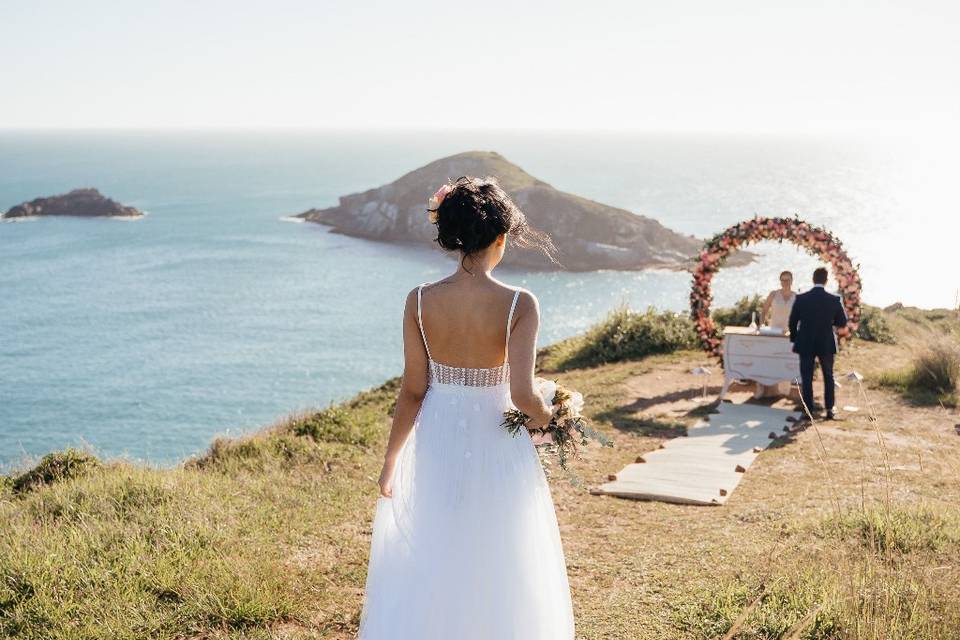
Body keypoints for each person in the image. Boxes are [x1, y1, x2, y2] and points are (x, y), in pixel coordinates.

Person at [357, 176, 575, 639]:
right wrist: (552, 416)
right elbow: (521, 395)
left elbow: (413, 389)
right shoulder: (519, 304)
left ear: (455, 237)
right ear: (500, 239)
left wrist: (390, 460)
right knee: (501, 545)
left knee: (439, 541)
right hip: (495, 438)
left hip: (437, 434)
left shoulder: (418, 301)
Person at [788, 267, 848, 421]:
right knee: (828, 376)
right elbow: (842, 322)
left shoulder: (802, 298)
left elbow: (792, 321)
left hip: (806, 342)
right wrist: (829, 323)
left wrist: (796, 338)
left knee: (806, 377)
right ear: (826, 280)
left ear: (813, 279)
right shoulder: (834, 299)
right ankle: (829, 409)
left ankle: (808, 410)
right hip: (826, 342)